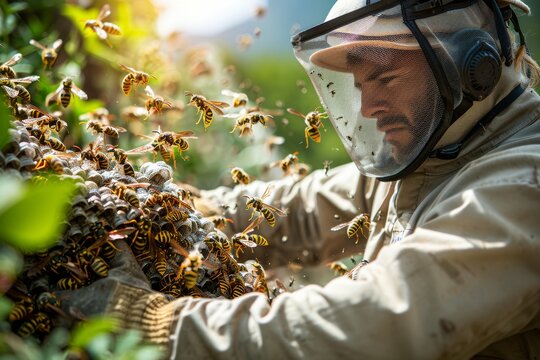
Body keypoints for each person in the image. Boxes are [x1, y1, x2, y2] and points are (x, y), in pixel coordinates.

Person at [62, 0, 540, 358]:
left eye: (387, 79)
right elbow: (303, 209)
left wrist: (158, 324)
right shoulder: (441, 150)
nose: (369, 109)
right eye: (359, 83)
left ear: (469, 62)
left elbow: (365, 325)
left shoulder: (520, 188)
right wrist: (158, 208)